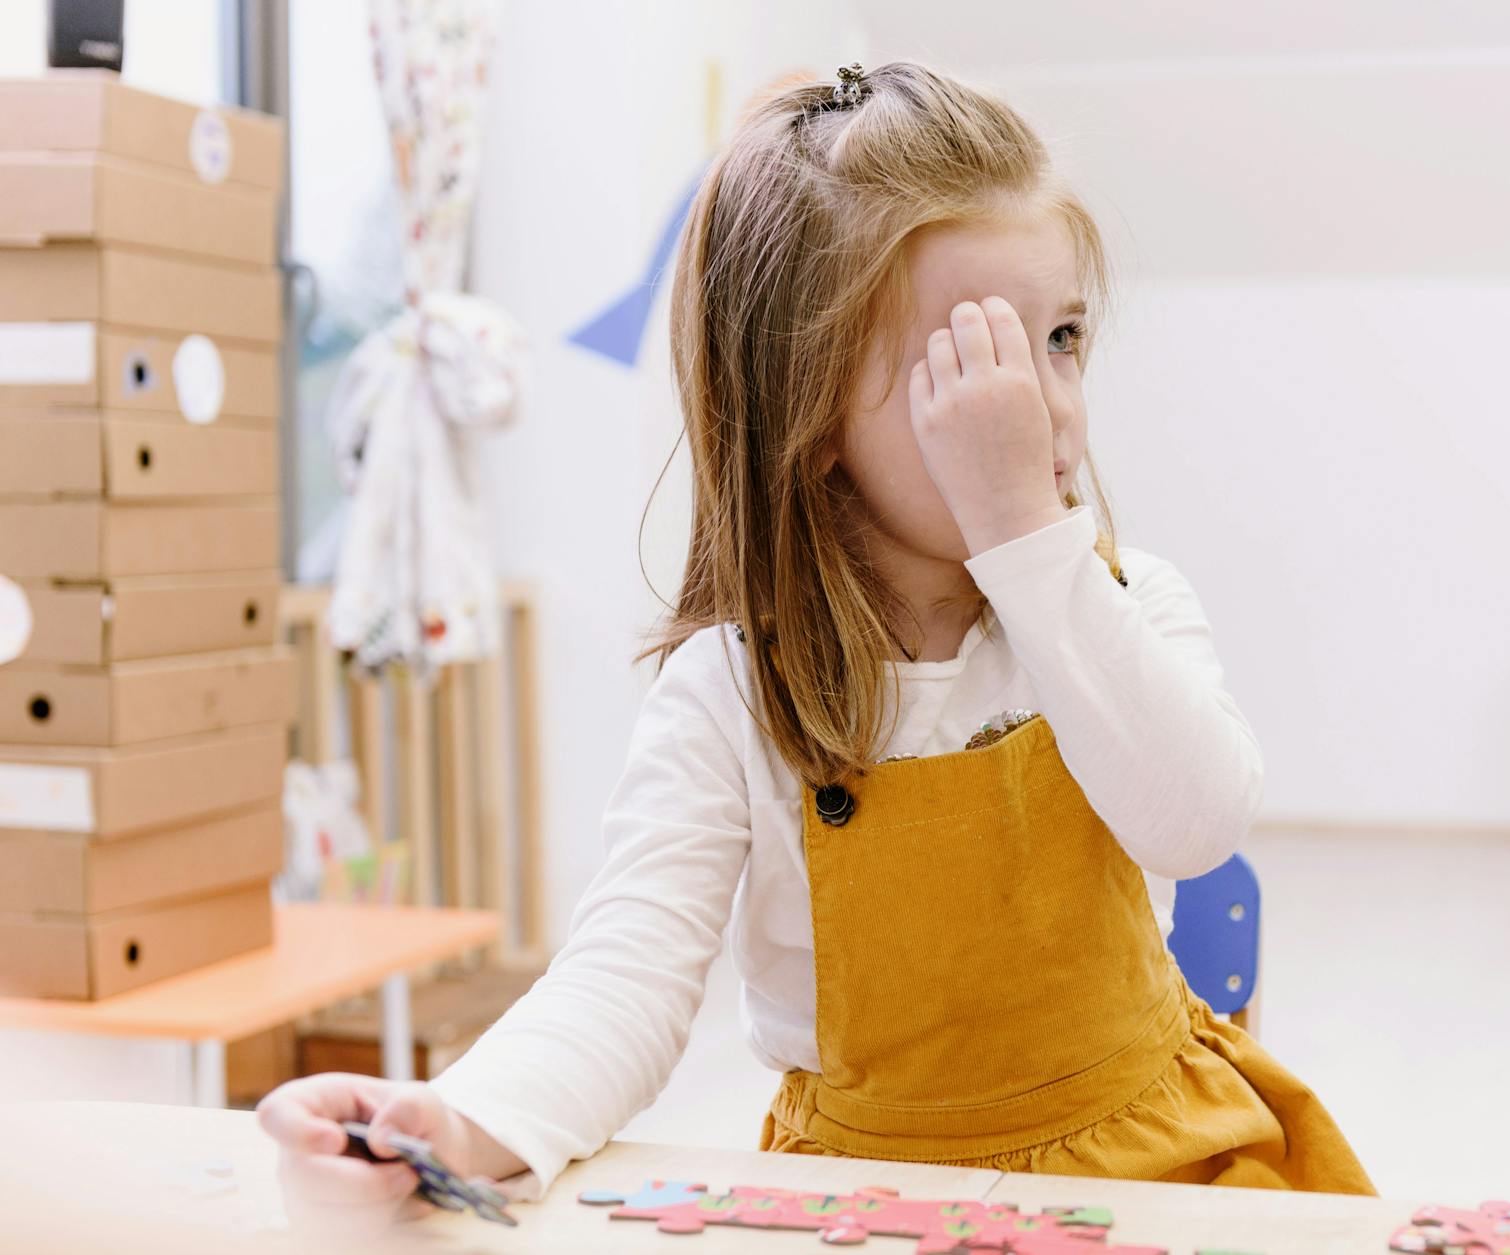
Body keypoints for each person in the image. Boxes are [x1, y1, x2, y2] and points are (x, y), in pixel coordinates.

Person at [258, 59, 1374, 1233]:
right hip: (872, 1195)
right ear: (810, 412)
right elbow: (622, 984)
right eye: (966, 368)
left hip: (1155, 1168)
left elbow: (1193, 822)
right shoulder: (728, 695)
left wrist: (1022, 542)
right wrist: (460, 1120)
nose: (1038, 408)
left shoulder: (1124, 603)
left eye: (1056, 340)